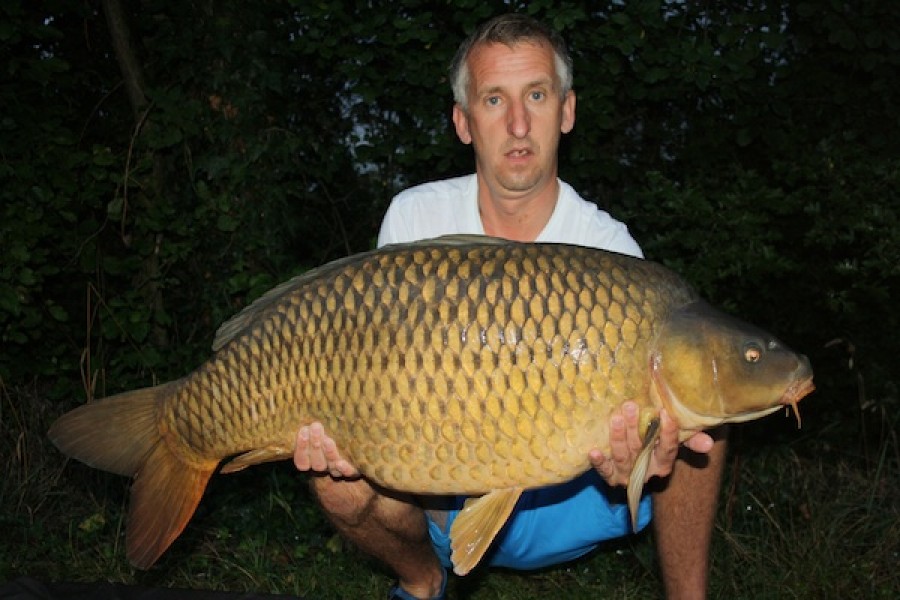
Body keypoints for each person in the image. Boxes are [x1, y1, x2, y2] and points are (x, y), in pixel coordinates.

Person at [294, 14, 725, 600]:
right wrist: (345, 430)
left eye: (537, 95)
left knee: (706, 409)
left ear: (566, 111)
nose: (518, 124)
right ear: (463, 121)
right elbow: (378, 374)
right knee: (333, 480)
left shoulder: (610, 252)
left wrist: (640, 460)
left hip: (574, 497)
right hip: (443, 496)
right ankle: (423, 582)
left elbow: (645, 433)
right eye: (494, 100)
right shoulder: (414, 220)